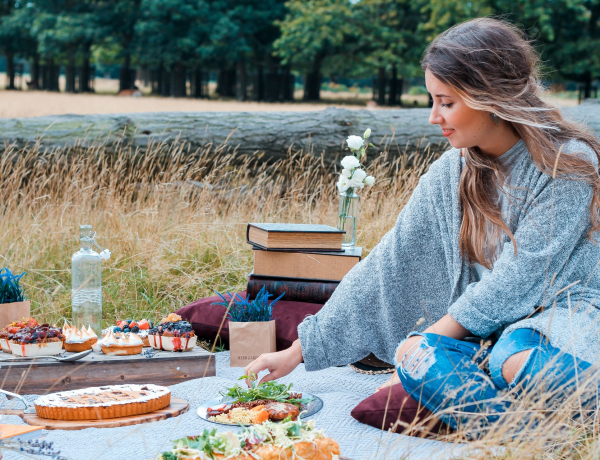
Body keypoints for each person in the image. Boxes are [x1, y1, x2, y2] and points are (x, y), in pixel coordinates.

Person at [245, 18, 600, 432]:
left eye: (446, 102)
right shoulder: (452, 171)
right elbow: (389, 262)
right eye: (432, 100)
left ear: (491, 97)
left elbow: (521, 278)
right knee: (414, 355)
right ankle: (527, 438)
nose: (434, 117)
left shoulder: (567, 165)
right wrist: (300, 349)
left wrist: (435, 336)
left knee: (511, 357)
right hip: (486, 333)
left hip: (558, 319)